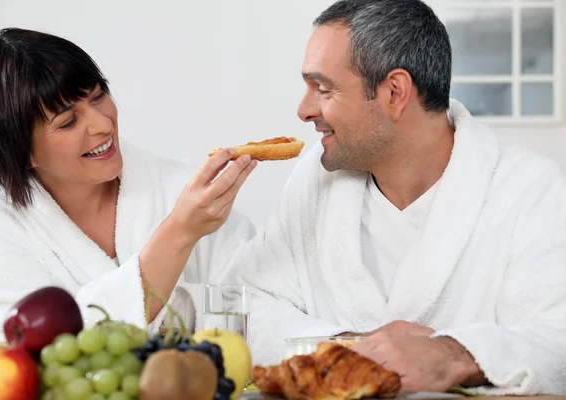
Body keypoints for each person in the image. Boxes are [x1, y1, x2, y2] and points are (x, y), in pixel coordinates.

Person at [228, 0, 566, 395]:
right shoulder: (313, 181)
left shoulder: (531, 191)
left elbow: (557, 336)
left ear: (394, 92)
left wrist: (452, 356)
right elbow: (246, 307)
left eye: (322, 88)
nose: (303, 110)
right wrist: (351, 347)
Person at [0, 28, 257, 333]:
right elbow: (48, 346)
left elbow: (256, 300)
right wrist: (179, 233)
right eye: (68, 122)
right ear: (22, 151)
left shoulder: (182, 190)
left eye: (98, 96)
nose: (103, 124)